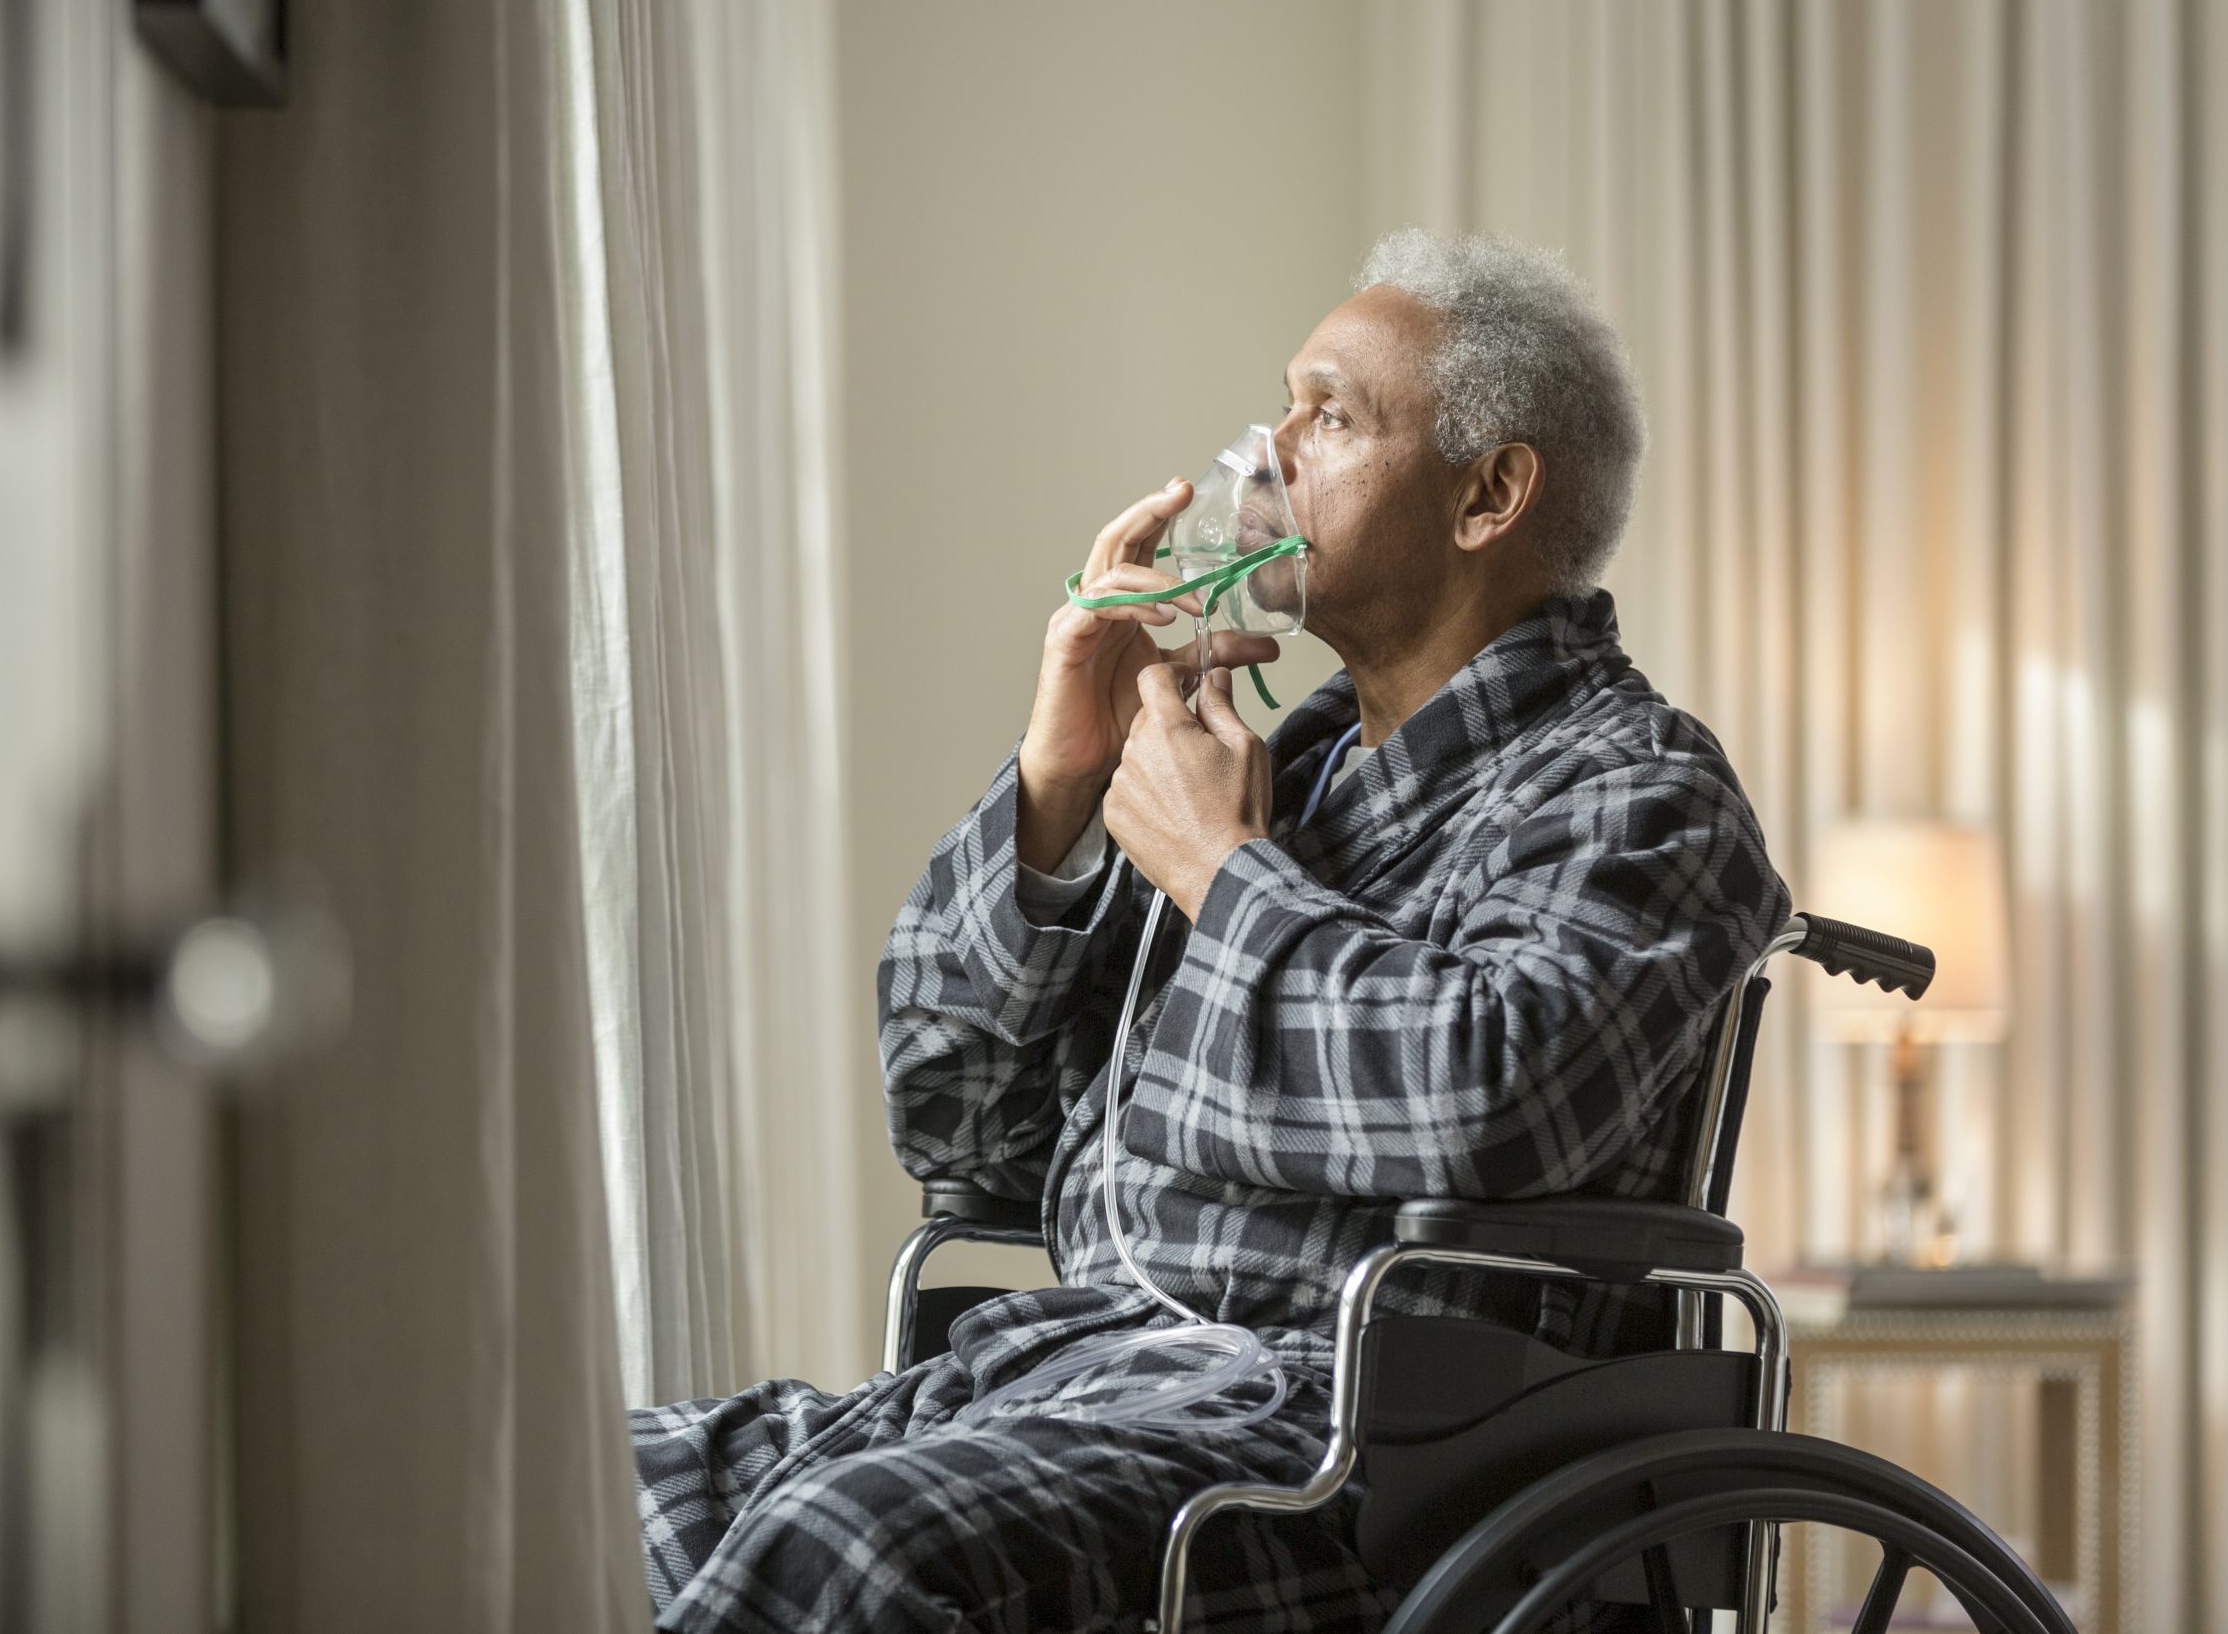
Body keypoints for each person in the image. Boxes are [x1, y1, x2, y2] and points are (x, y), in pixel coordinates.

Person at [630, 229, 1790, 1633]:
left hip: (1350, 1441)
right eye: (1286, 406)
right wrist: (1059, 783)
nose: (1271, 449)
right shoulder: (1264, 770)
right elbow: (957, 1125)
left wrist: (1223, 874)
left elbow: (1489, 1096)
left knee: (849, 1553)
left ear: (1489, 493)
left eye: (1334, 414)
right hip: (1065, 1379)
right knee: (609, 1485)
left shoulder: (1640, 794)